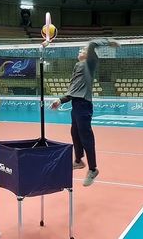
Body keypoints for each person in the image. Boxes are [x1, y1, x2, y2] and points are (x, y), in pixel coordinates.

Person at [51, 38, 120, 187]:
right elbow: (73, 91)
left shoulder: (90, 64)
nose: (80, 51)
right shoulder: (77, 66)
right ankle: (78, 161)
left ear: (89, 55)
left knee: (86, 137)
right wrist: (60, 101)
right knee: (74, 133)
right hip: (76, 105)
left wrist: (108, 42)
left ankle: (93, 169)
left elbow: (93, 44)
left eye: (82, 50)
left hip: (84, 105)